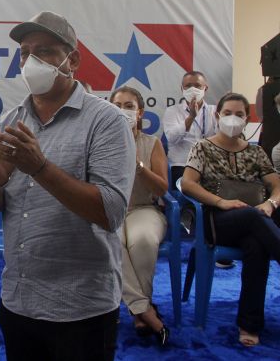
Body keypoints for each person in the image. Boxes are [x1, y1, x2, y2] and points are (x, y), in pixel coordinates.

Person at [0, 11, 134, 361]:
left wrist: (40, 168)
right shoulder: (9, 122)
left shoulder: (106, 122)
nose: (31, 61)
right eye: (25, 53)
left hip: (81, 308)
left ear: (72, 60)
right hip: (18, 300)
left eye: (44, 52)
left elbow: (111, 212)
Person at [180, 92, 280, 348]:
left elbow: (276, 185)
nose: (233, 119)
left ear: (247, 119)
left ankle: (249, 324)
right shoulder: (202, 147)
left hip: (253, 220)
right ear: (217, 115)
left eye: (239, 114)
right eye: (227, 113)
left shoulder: (257, 153)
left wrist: (270, 203)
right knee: (250, 214)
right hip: (217, 221)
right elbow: (188, 185)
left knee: (256, 245)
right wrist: (221, 202)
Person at [110, 86, 170, 346]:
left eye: (129, 105)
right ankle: (144, 310)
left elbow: (162, 188)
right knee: (111, 242)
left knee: (143, 240)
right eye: (117, 105)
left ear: (140, 112)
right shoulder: (100, 140)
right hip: (109, 209)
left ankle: (137, 308)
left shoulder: (152, 143)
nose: (123, 110)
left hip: (144, 209)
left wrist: (139, 167)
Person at [162, 71, 217, 186]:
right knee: (189, 198)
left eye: (197, 86)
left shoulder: (215, 111)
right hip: (182, 165)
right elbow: (172, 138)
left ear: (205, 88)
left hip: (210, 166)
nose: (193, 89)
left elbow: (224, 140)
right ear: (182, 89)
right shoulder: (172, 111)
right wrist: (191, 117)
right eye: (188, 86)